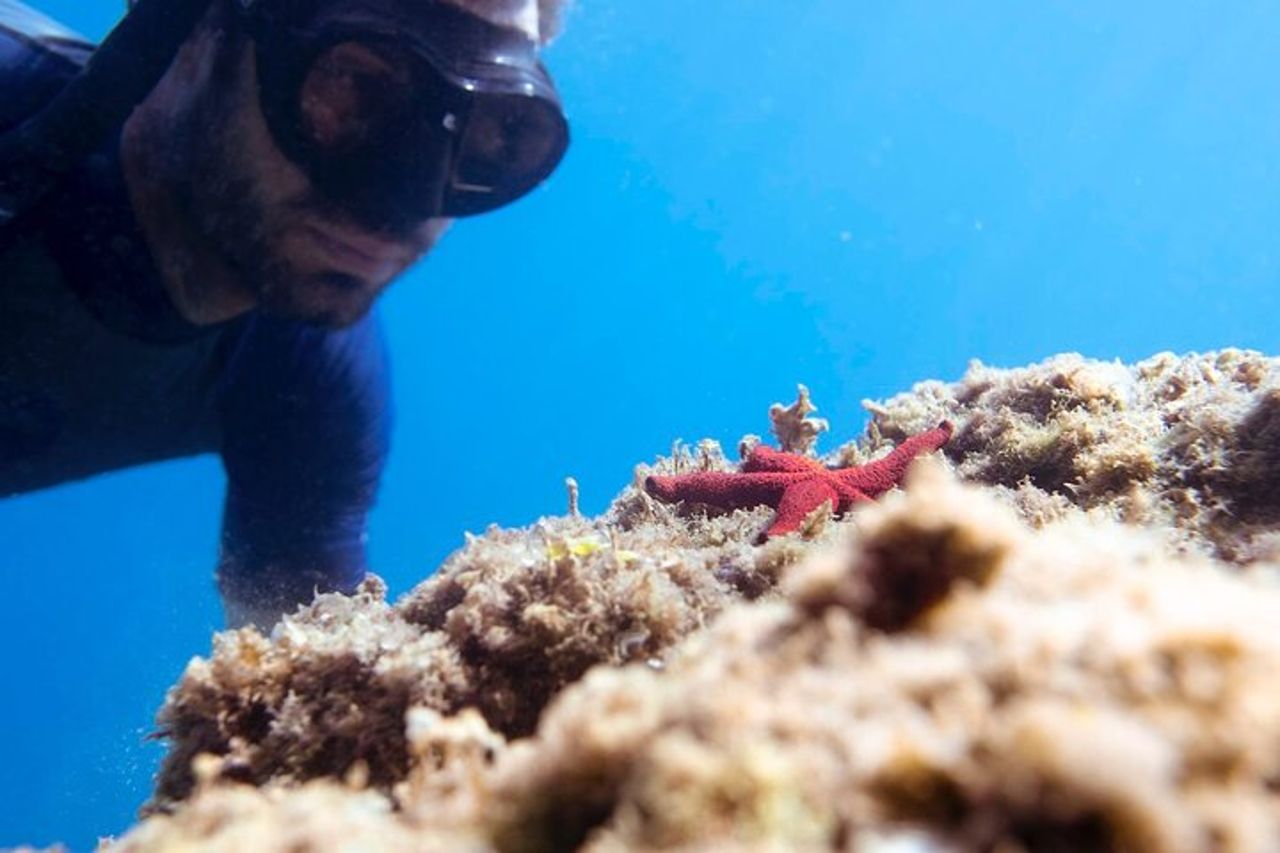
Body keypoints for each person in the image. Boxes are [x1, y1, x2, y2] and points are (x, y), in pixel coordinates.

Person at [0, 0, 570, 628]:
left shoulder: (310, 390)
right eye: (352, 82)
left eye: (494, 131)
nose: (400, 203)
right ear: (187, 31)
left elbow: (301, 691)